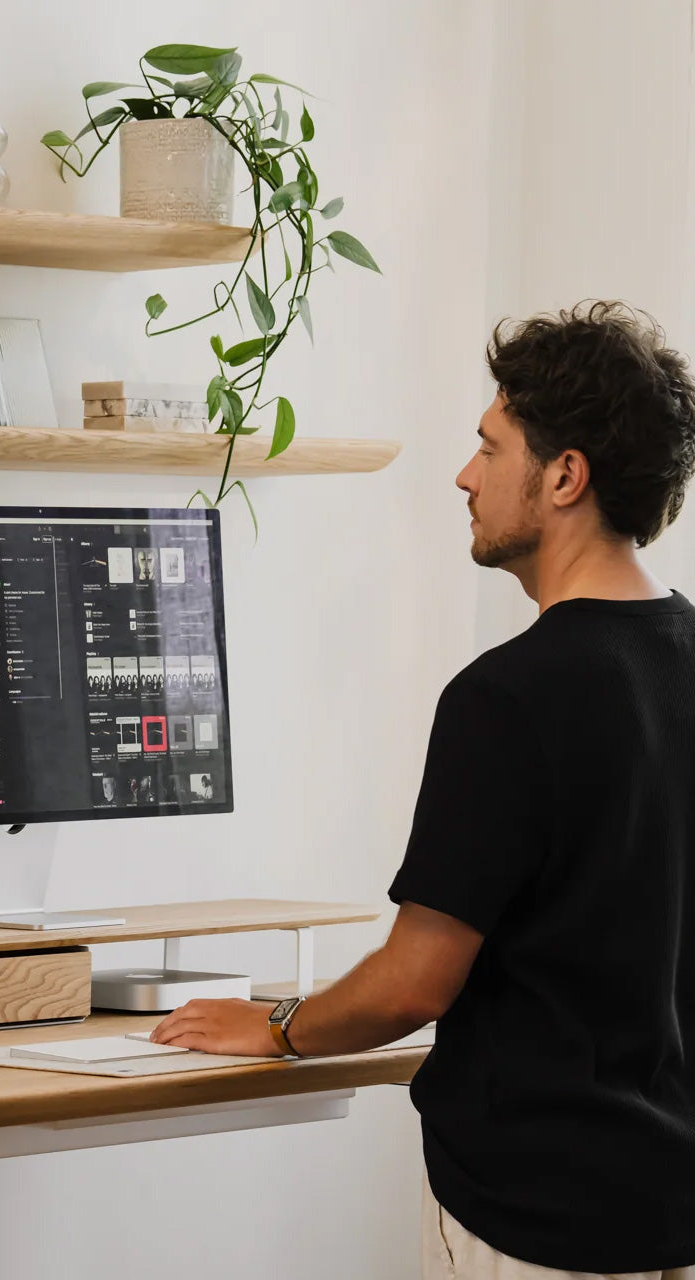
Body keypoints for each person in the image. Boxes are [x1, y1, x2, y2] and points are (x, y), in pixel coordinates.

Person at [151, 301, 695, 1279]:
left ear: (563, 474)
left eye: (488, 445)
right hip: (667, 1204)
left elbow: (413, 979)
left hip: (531, 1215)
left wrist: (277, 1026)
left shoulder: (506, 695)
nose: (462, 473)